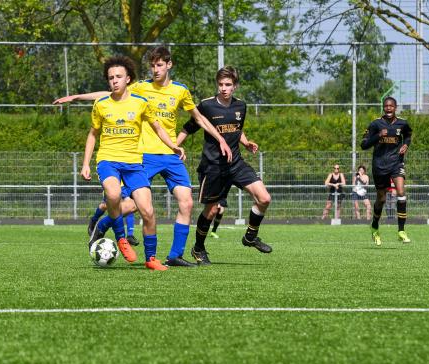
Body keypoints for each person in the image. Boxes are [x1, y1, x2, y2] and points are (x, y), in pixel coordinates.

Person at [56, 46, 231, 267]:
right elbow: (108, 95)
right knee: (131, 205)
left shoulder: (180, 91)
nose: (155, 70)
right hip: (144, 155)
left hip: (170, 154)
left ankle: (175, 255)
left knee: (186, 203)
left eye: (159, 65)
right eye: (152, 65)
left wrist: (221, 138)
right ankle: (102, 226)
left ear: (169, 65)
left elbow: (199, 118)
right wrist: (77, 97)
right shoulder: (140, 87)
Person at [80, 55, 185, 271]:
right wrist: (86, 163)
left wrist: (173, 146)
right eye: (110, 78)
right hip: (108, 160)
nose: (114, 81)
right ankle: (121, 238)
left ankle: (151, 258)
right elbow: (92, 135)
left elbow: (157, 127)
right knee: (113, 194)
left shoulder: (141, 103)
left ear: (128, 79)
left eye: (119, 76)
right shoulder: (101, 105)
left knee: (147, 210)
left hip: (134, 163)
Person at [177, 66, 272, 265]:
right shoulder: (206, 106)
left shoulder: (241, 106)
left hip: (236, 164)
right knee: (211, 211)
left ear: (235, 86)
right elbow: (188, 127)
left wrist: (245, 142)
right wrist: (173, 147)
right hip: (213, 167)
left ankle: (250, 236)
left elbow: (238, 129)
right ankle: (198, 248)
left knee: (264, 198)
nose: (224, 88)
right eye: (220, 84)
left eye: (228, 85)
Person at [361, 96, 412, 245]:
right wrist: (378, 135)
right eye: (386, 106)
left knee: (401, 193)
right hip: (379, 166)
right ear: (383, 107)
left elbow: (408, 135)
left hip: (396, 163)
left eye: (391, 106)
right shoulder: (376, 124)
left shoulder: (403, 123)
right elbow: (363, 144)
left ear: (395, 107)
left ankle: (401, 231)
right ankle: (375, 227)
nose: (388, 108)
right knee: (381, 199)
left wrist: (406, 145)